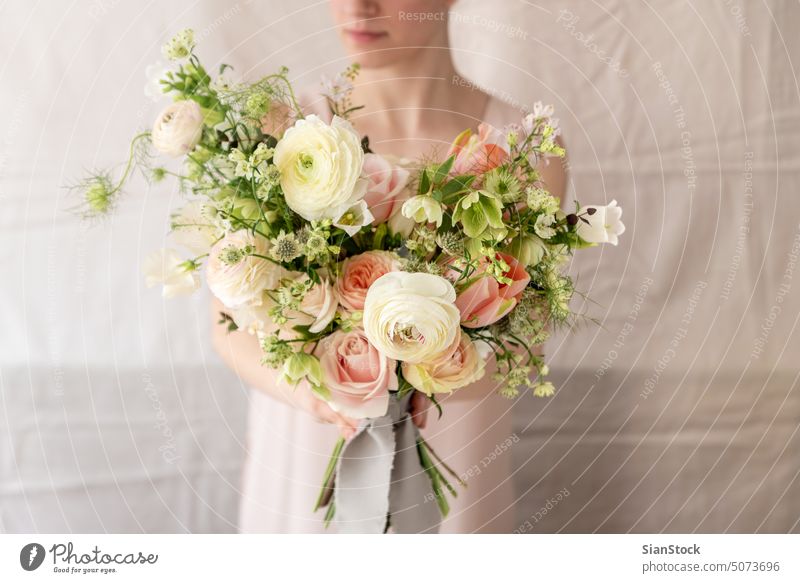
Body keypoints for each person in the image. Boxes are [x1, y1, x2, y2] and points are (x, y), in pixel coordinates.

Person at [211, 0, 567, 533]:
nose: (359, 7)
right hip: (308, 461)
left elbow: (528, 337)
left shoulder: (527, 150)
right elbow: (225, 320)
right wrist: (313, 392)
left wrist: (425, 378)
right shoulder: (286, 133)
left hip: (455, 453)